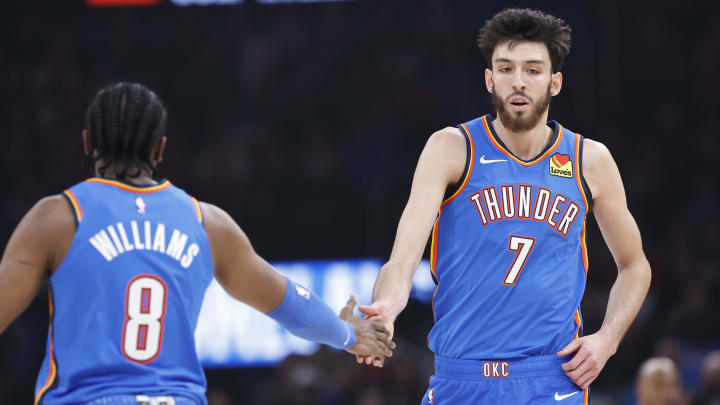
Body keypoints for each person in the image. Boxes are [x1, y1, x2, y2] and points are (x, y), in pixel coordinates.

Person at [0, 82, 394, 405]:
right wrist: (347, 334)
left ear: (87, 142)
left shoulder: (58, 217)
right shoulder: (207, 222)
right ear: (159, 148)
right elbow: (293, 304)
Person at [356, 8, 651, 404]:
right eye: (506, 68)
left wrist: (608, 339)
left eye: (533, 69)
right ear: (489, 79)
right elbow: (402, 261)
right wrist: (386, 308)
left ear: (555, 82)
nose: (519, 82)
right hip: (459, 376)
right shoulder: (451, 148)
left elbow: (635, 265)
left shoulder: (589, 159)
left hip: (551, 377)